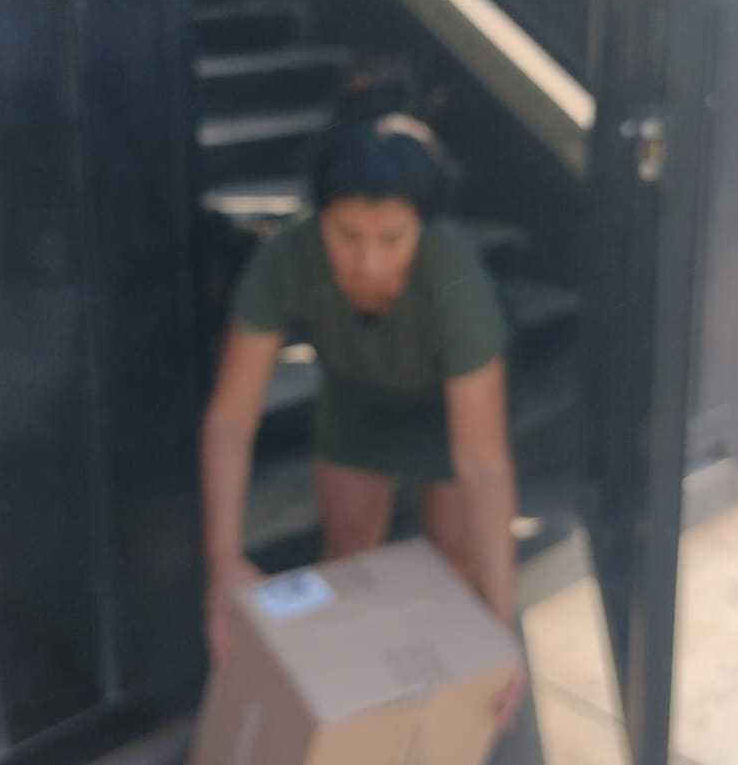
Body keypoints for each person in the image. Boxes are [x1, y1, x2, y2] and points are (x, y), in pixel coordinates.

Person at [199, 65, 526, 728]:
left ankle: (434, 710)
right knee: (348, 551)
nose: (368, 263)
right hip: (356, 398)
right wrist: (224, 563)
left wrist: (501, 621)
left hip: (450, 412)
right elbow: (230, 421)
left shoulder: (454, 279)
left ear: (422, 226)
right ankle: (354, 708)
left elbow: (484, 463)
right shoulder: (286, 259)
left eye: (391, 239)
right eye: (347, 236)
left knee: (454, 557)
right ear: (319, 218)